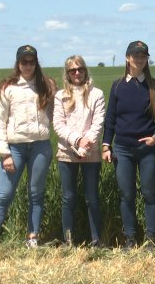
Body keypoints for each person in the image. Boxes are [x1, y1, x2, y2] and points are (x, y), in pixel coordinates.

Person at [0, 45, 56, 253]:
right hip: (15, 149)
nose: (27, 65)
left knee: (36, 194)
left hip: (40, 147)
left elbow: (59, 114)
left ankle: (33, 237)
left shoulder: (47, 85)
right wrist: (4, 153)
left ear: (36, 63)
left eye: (31, 62)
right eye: (24, 62)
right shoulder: (6, 87)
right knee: (4, 195)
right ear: (18, 63)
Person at [102, 40, 155, 250]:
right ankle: (130, 238)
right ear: (127, 58)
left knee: (149, 194)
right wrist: (106, 146)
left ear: (147, 59)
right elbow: (110, 118)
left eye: (143, 56)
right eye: (136, 55)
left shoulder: (153, 85)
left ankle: (150, 239)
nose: (139, 59)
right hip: (122, 149)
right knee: (127, 195)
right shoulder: (118, 86)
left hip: (148, 150)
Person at [53, 55, 105, 248]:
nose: (77, 73)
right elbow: (58, 125)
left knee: (92, 196)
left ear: (85, 70)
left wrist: (86, 143)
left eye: (80, 69)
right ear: (67, 74)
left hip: (91, 152)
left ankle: (96, 240)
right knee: (68, 197)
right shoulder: (60, 96)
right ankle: (68, 240)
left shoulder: (96, 94)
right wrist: (77, 141)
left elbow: (98, 122)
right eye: (72, 70)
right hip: (67, 152)